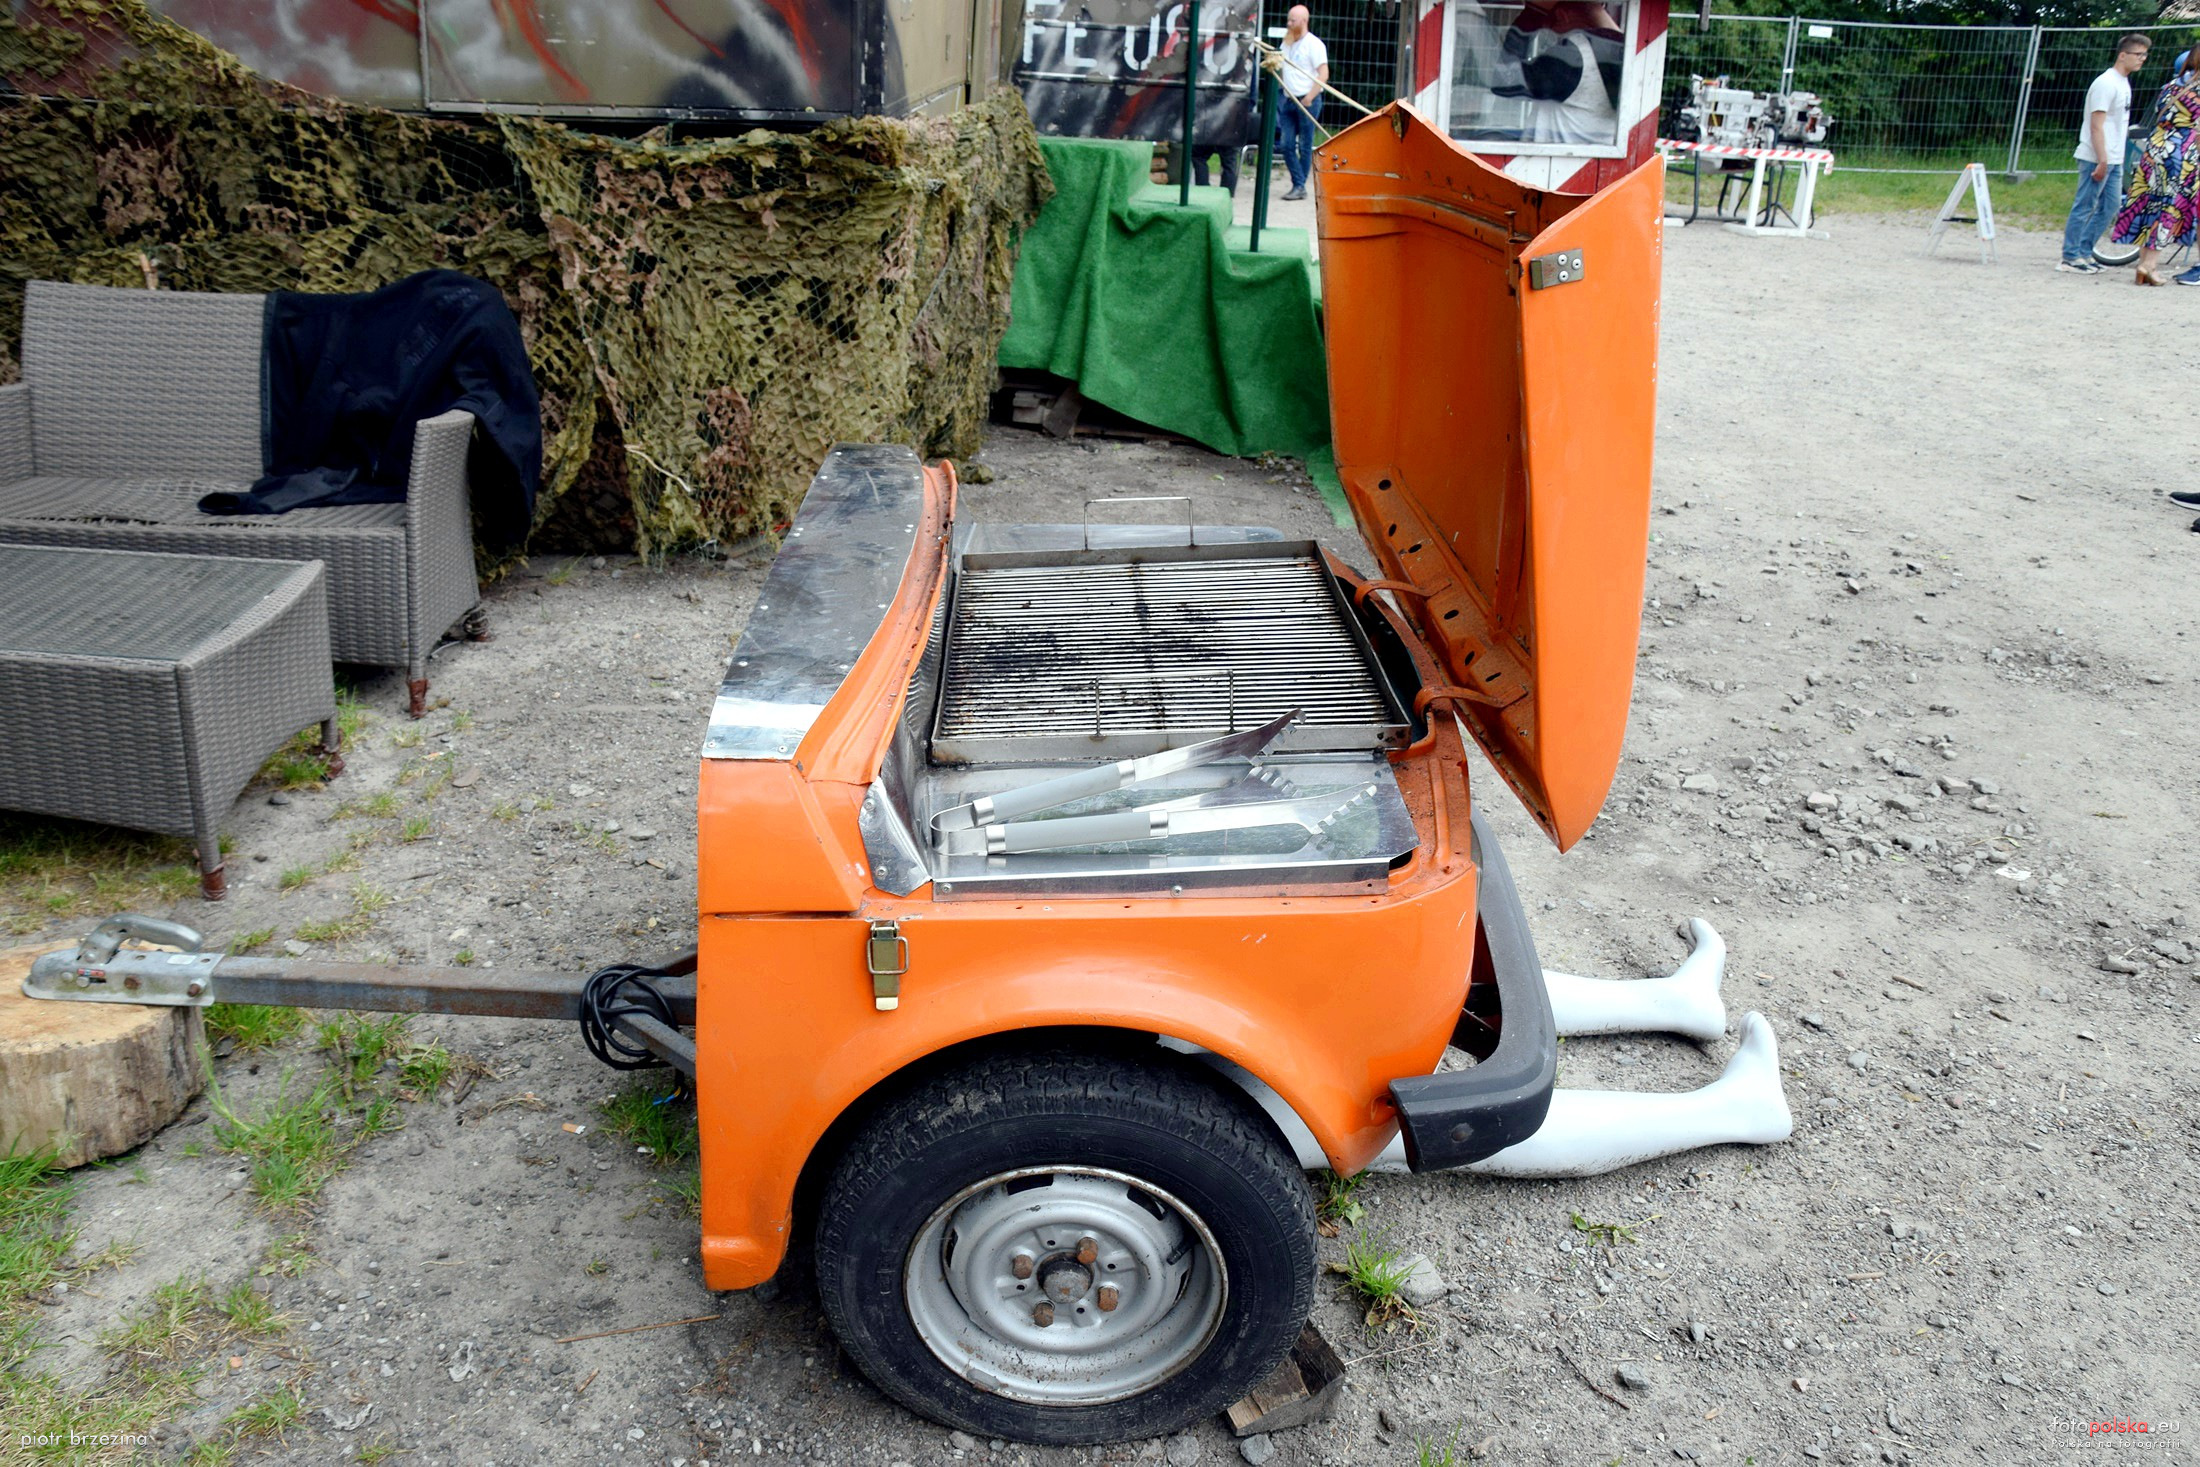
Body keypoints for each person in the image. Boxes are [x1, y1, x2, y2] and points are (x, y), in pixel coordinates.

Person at [2057, 33, 2148, 274]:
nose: (2142, 59)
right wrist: (2102, 159)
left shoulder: (2123, 82)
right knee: (2085, 205)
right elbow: (2096, 125)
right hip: (2097, 157)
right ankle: (2070, 256)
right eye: (2138, 54)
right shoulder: (2106, 83)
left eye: (2145, 55)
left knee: (2110, 207)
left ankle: (2084, 251)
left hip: (2114, 158)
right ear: (2123, 55)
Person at [2108, 52, 2200, 285]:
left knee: (2151, 205)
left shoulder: (2172, 85)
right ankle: (2149, 266)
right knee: (2169, 209)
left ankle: (2143, 264)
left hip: (2156, 148)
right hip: (2181, 154)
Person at [1493, 0, 1626, 147]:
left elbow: (1504, 80)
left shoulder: (1570, 54)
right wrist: (1596, 11)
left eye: (1550, 30)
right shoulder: (1623, 56)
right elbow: (1622, 44)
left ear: (1562, 15)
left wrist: (1534, 12)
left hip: (1551, 158)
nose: (1554, 39)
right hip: (1601, 157)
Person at [1271, 5, 1327, 202]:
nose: (1288, 24)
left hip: (1307, 100)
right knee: (1285, 144)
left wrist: (1309, 97)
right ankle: (1300, 184)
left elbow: (1323, 74)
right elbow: (1280, 67)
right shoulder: (1286, 43)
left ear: (1304, 21)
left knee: (1304, 145)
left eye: (1292, 20)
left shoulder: (1314, 44)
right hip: (1289, 99)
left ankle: (1298, 186)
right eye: (1288, 20)